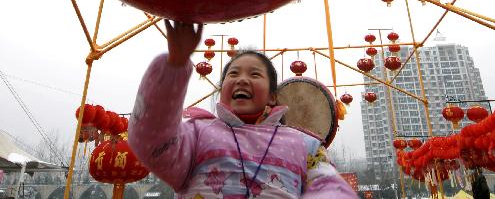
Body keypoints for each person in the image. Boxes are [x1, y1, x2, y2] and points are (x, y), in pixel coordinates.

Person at [128, 20, 358, 198]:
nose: (242, 80)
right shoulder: (197, 133)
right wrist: (174, 66)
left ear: (272, 97)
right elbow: (152, 142)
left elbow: (331, 188)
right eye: (233, 74)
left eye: (255, 74)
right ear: (223, 88)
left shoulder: (306, 145)